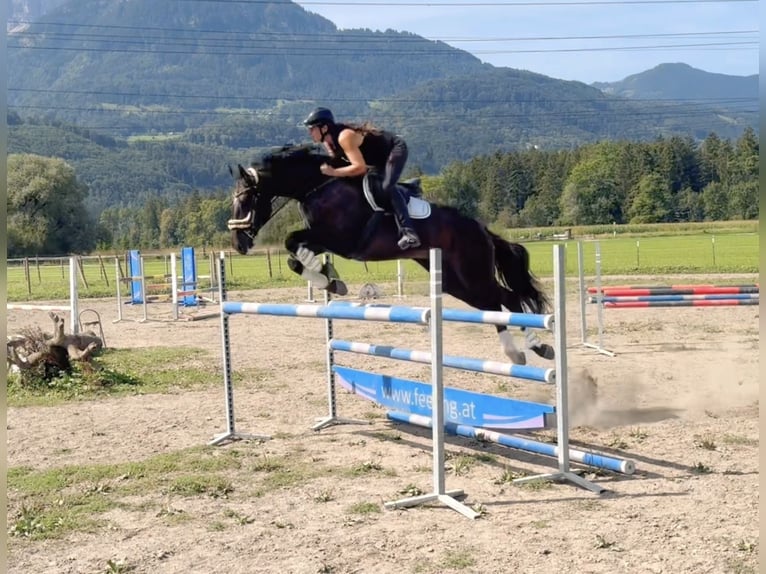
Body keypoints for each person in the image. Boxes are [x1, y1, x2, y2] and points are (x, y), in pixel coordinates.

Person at [302, 107, 421, 250]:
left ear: (324, 128)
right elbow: (341, 166)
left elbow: (359, 168)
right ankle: (407, 188)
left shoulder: (344, 137)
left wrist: (333, 172)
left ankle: (408, 231)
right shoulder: (328, 143)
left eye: (312, 128)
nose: (310, 132)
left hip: (394, 150)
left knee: (386, 186)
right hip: (375, 160)